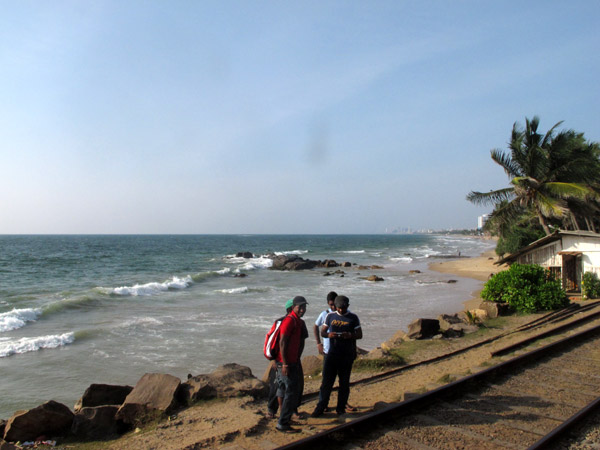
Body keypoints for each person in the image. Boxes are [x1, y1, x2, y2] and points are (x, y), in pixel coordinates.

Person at [311, 295, 361, 418]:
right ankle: (321, 407)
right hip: (332, 355)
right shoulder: (329, 316)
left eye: (343, 308)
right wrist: (329, 335)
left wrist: (349, 335)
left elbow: (359, 334)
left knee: (344, 383)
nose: (340, 310)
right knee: (326, 383)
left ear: (347, 306)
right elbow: (322, 331)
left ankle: (341, 408)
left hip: (346, 355)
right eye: (339, 308)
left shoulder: (353, 317)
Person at [267, 299, 308, 419]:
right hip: (282, 361)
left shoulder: (300, 323)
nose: (301, 311)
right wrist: (274, 360)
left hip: (292, 359)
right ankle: (275, 410)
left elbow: (301, 342)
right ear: (292, 309)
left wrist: (297, 358)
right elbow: (275, 342)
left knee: (290, 386)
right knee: (279, 386)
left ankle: (290, 410)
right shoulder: (283, 322)